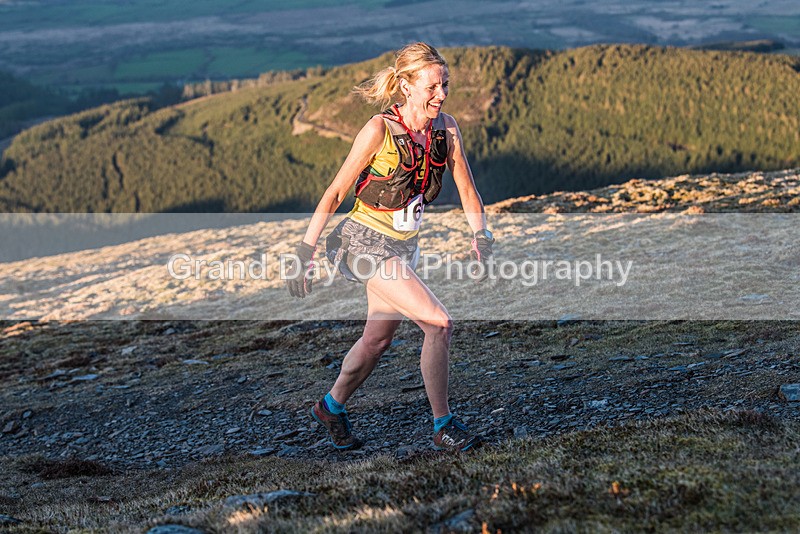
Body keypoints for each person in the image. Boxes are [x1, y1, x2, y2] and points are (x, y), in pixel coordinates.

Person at [285, 42, 494, 452]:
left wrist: (481, 235)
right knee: (438, 323)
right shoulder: (379, 129)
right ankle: (443, 425)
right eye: (433, 86)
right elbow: (334, 192)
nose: (442, 94)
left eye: (445, 84)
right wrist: (303, 254)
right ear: (406, 86)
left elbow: (467, 189)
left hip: (403, 247)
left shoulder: (446, 129)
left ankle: (330, 406)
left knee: (377, 340)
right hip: (361, 243)